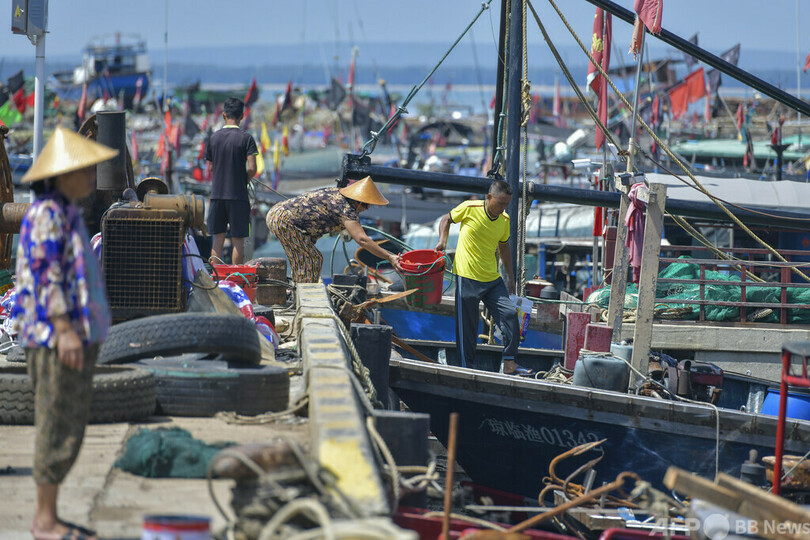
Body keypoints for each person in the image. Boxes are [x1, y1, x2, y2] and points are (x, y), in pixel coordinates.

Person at [11, 126, 117, 540]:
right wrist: (64, 329)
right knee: (55, 425)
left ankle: (50, 515)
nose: (91, 176)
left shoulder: (68, 214)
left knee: (69, 425)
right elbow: (46, 274)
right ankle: (44, 519)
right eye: (83, 169)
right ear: (61, 175)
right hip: (56, 338)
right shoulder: (46, 216)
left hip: (75, 335)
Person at [434, 179, 532, 376]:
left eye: (507, 204)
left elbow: (503, 247)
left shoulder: (504, 220)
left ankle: (509, 362)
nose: (504, 208)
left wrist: (511, 277)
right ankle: (466, 368)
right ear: (489, 197)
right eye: (501, 203)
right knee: (467, 329)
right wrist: (442, 241)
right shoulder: (470, 208)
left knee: (510, 315)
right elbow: (446, 219)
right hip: (467, 277)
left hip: (492, 279)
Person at [266, 176, 403, 282]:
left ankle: (300, 288)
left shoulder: (337, 194)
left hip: (278, 213)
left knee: (303, 260)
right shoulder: (346, 209)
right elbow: (362, 239)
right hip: (284, 220)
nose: (365, 210)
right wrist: (390, 257)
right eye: (367, 206)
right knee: (312, 259)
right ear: (360, 202)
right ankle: (304, 294)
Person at [205, 97, 258, 264]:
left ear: (223, 115)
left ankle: (215, 281)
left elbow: (211, 168)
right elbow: (252, 168)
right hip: (238, 196)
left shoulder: (213, 138)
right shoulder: (246, 138)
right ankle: (237, 280)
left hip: (217, 195)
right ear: (241, 116)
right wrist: (244, 180)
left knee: (218, 239)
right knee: (238, 240)